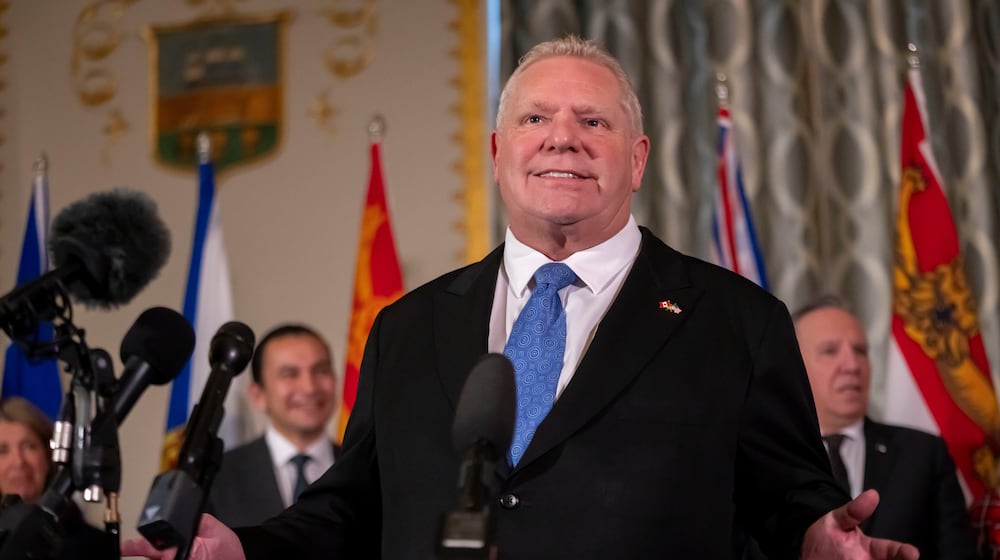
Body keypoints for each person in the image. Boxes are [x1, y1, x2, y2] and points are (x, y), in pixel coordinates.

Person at [124, 35, 918, 559]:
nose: (561, 136)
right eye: (536, 117)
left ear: (637, 159)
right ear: (501, 153)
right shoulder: (407, 327)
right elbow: (352, 505)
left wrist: (819, 533)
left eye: (592, 121)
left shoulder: (737, 322)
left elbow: (791, 500)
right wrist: (246, 550)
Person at [794, 294, 979, 558]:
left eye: (860, 351)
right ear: (793, 366)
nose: (852, 365)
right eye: (830, 351)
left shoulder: (923, 453)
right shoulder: (763, 458)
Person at [209, 324, 340, 527]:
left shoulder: (369, 471)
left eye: (321, 370)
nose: (310, 387)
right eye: (290, 374)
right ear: (258, 395)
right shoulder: (216, 479)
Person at [0, 397, 109, 559]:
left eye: (29, 446)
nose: (19, 462)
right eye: (3, 450)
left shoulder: (94, 546)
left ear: (49, 456)